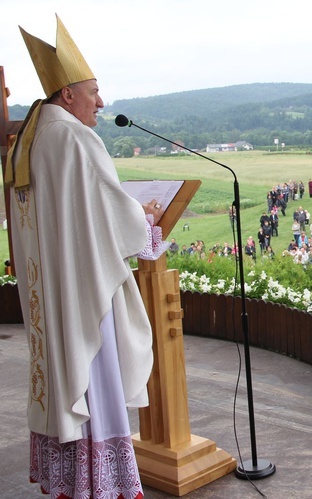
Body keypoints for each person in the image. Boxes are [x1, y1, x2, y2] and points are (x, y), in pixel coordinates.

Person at [7, 16, 153, 498]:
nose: (101, 102)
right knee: (95, 381)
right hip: (84, 293)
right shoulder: (73, 137)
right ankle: (103, 482)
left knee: (62, 376)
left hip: (48, 293)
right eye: (94, 91)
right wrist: (146, 216)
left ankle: (70, 478)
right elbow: (113, 215)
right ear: (67, 94)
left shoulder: (28, 139)